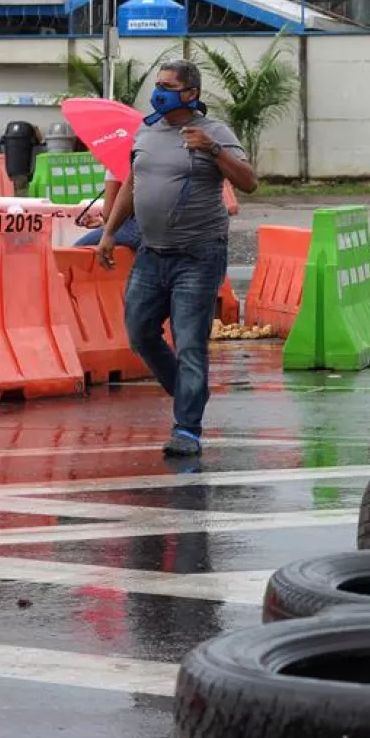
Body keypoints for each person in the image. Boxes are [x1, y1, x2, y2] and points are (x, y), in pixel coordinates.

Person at [95, 60, 258, 458]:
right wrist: (110, 232)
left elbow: (249, 182)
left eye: (168, 85)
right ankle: (188, 389)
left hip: (198, 256)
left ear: (190, 93)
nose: (159, 90)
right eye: (158, 84)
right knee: (139, 332)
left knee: (189, 343)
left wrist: (214, 150)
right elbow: (133, 182)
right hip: (152, 253)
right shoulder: (146, 130)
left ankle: (187, 428)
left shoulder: (214, 132)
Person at [73, 167, 141, 249]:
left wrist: (106, 221)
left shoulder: (118, 165)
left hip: (138, 230)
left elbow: (108, 214)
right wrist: (101, 221)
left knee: (75, 251)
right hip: (157, 229)